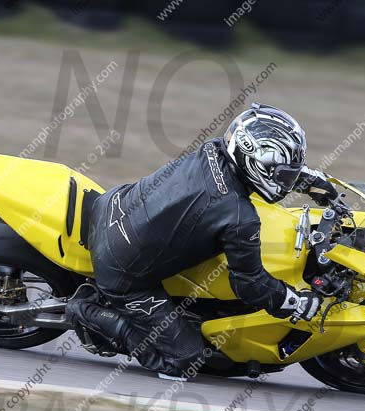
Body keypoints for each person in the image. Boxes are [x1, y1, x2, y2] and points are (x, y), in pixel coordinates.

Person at [66, 103, 339, 380]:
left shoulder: (212, 149)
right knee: (184, 360)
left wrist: (308, 180)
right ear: (255, 161)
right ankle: (84, 309)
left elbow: (255, 170)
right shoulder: (238, 216)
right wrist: (294, 302)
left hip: (116, 204)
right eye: (284, 173)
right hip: (122, 271)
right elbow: (250, 285)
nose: (287, 180)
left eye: (291, 173)